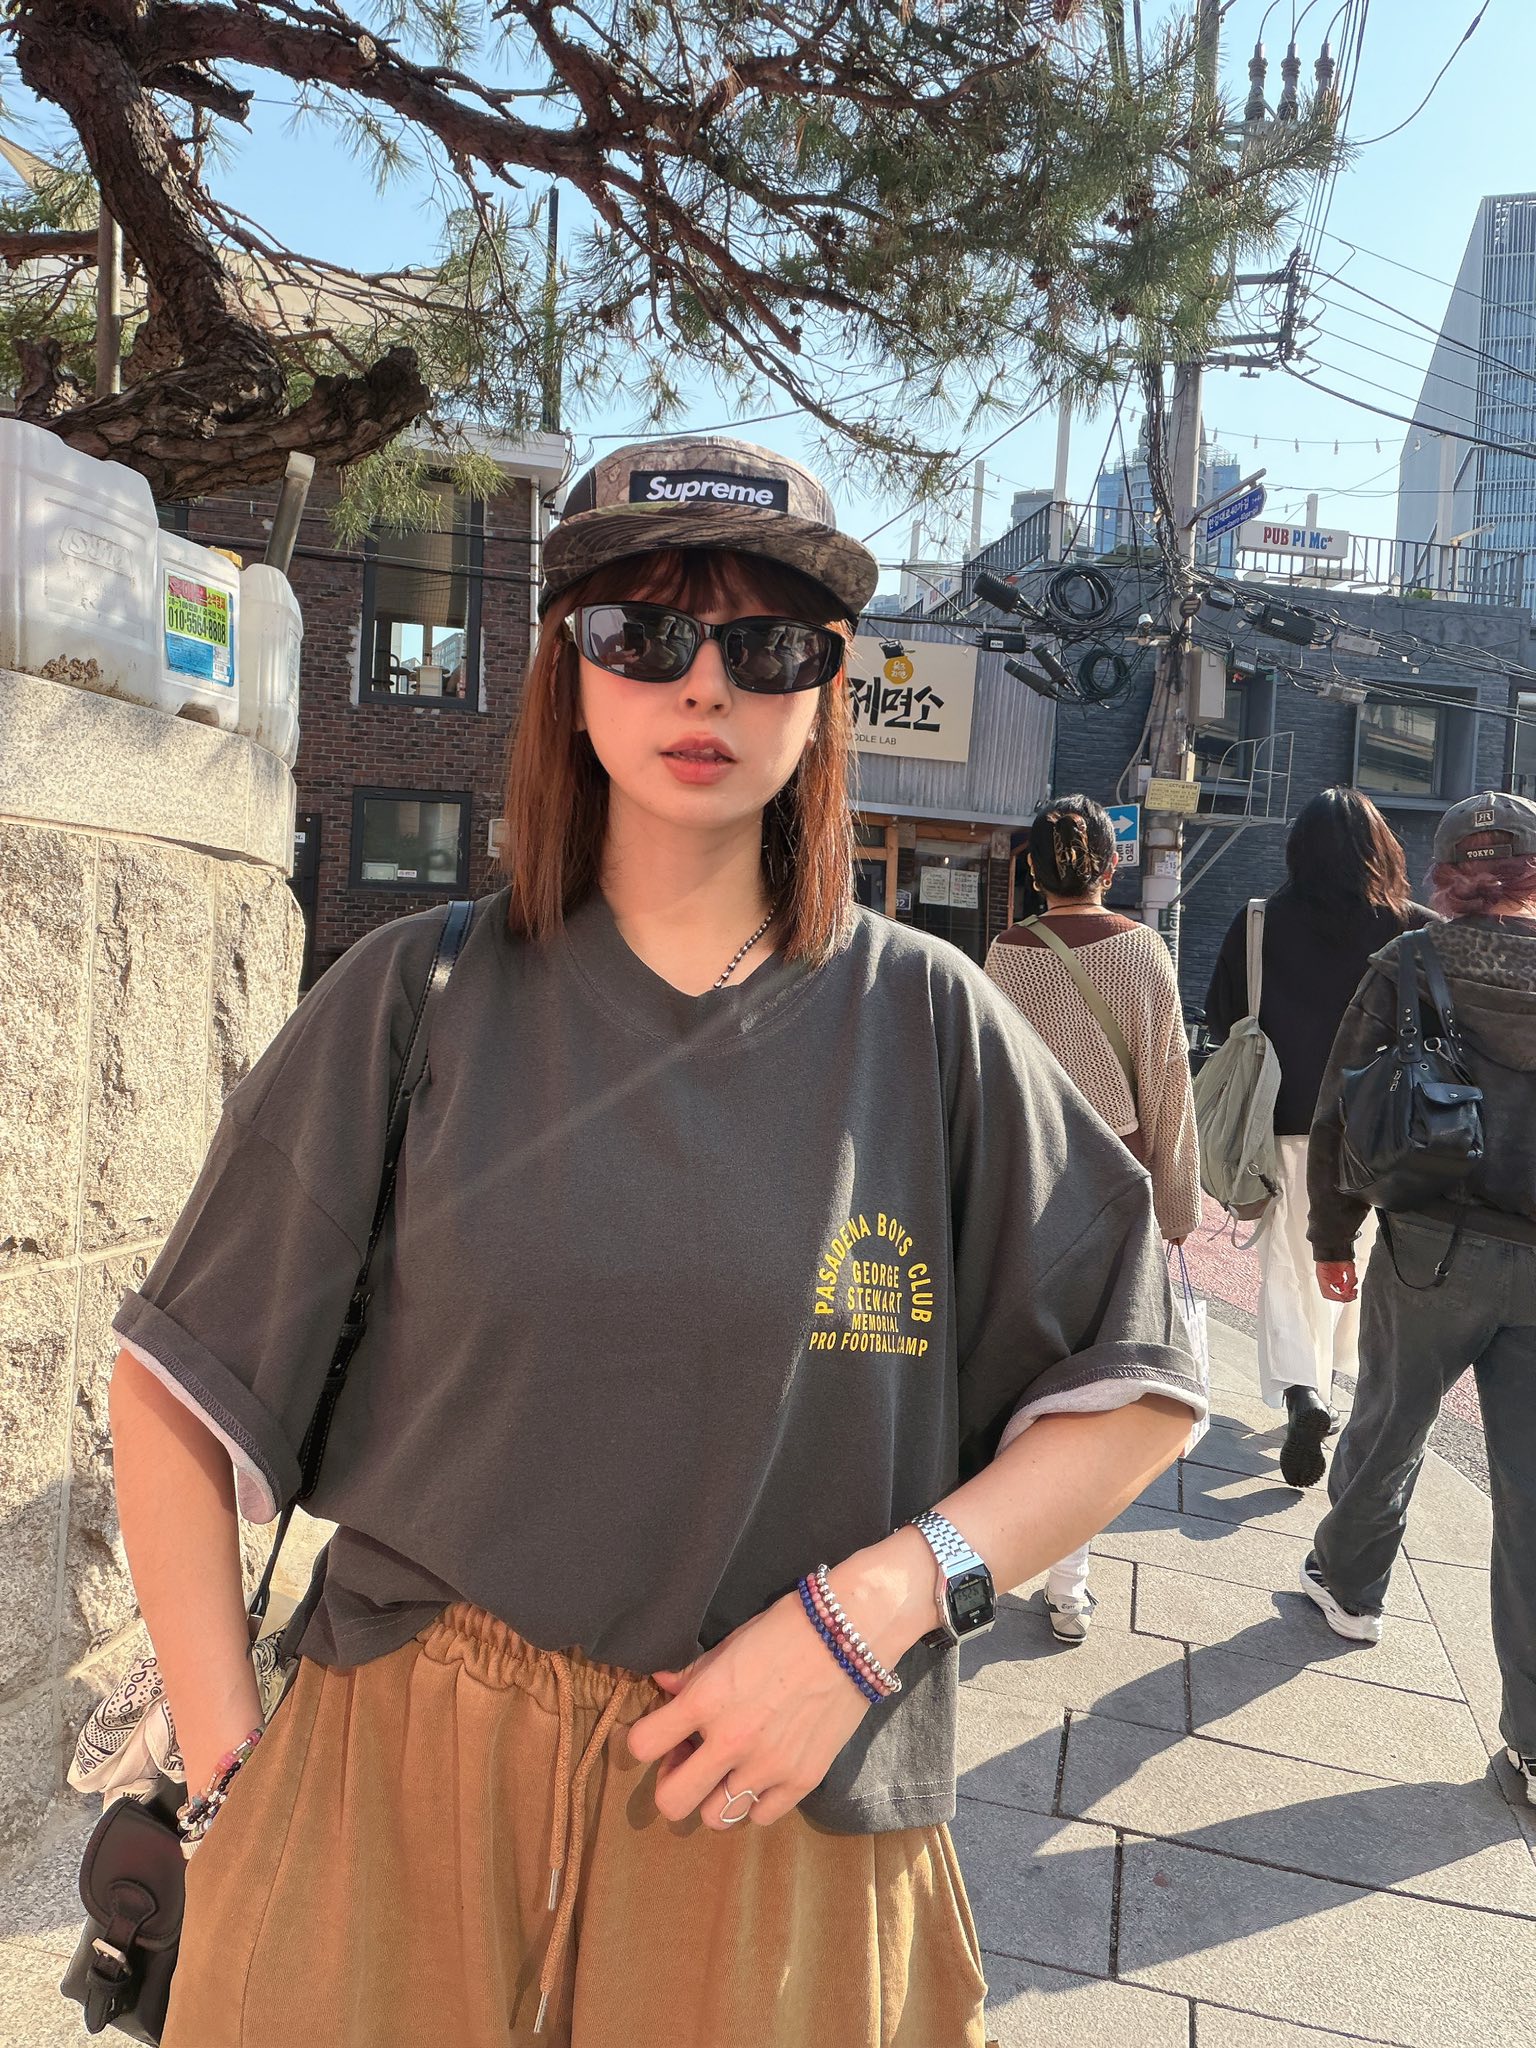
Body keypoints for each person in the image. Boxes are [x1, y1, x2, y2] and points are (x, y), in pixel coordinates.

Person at [105, 434, 1204, 2048]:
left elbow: (1141, 1390)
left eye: (768, 646)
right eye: (642, 631)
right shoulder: (419, 995)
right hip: (399, 1796)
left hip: (782, 1822)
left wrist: (884, 1604)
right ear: (567, 665)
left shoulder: (927, 1026)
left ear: (827, 687)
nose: (704, 683)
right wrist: (232, 1771)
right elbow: (169, 1387)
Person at [1302, 790, 1536, 1808]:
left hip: (1430, 1245)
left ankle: (1352, 1589)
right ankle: (1534, 1744)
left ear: (1444, 872)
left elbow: (1342, 1108)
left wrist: (1332, 1235)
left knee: (1391, 1416)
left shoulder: (1409, 964)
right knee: (1532, 1495)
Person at [985, 795, 1200, 1643]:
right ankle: (1068, 1587)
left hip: (1034, 1187)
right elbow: (1170, 1086)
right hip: (1121, 1188)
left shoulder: (1007, 954)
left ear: (1033, 873)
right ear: (1112, 867)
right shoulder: (1143, 950)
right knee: (1100, 1384)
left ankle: (997, 1551)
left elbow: (991, 1085)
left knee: (1026, 1377)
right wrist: (1177, 1206)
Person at [1205, 788, 1429, 1486]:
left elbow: (1222, 1017)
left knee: (1288, 1261)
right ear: (1382, 850)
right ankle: (1339, 1381)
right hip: (1386, 1130)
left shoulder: (1259, 923)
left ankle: (1304, 1392)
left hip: (1287, 1121)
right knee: (1358, 1258)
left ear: (1297, 850)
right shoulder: (1413, 932)